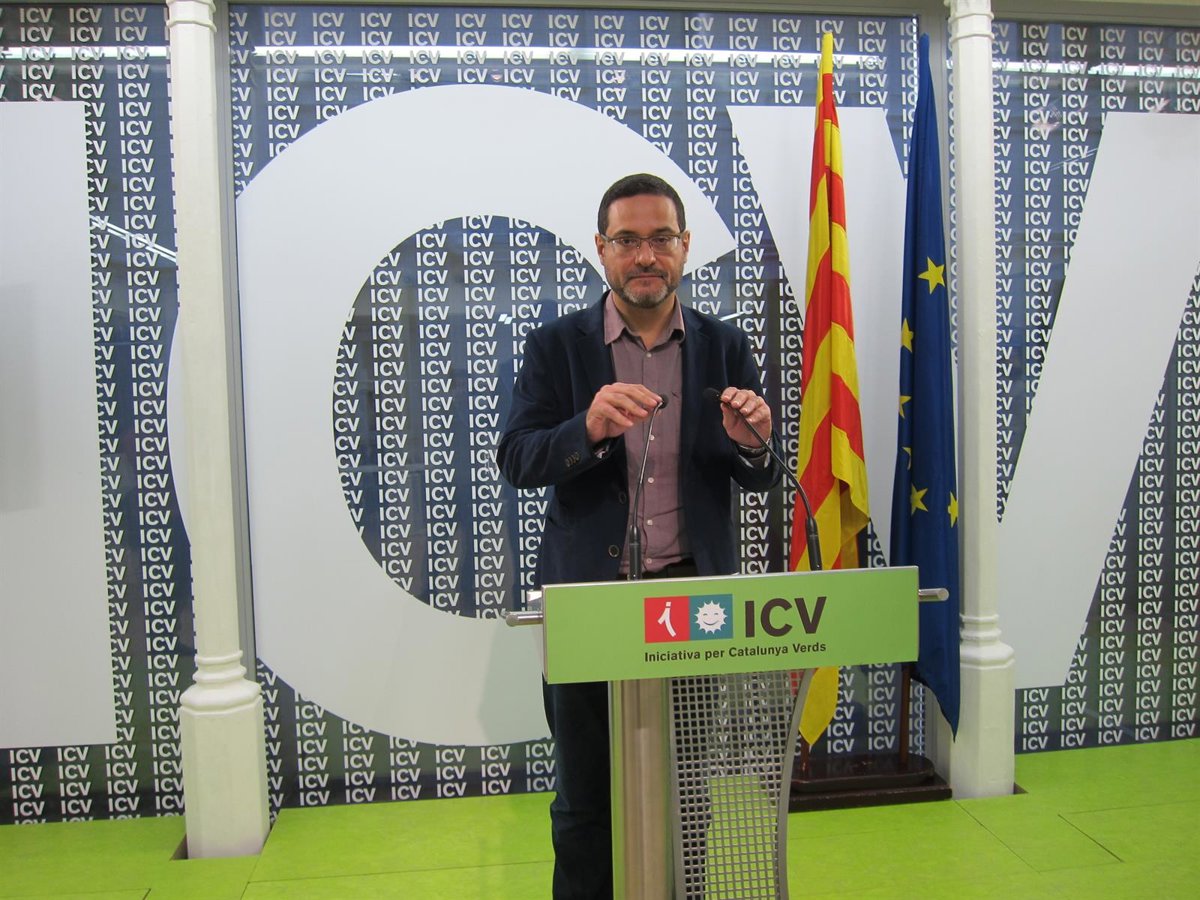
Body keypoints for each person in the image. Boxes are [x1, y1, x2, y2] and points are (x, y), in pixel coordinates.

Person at [497, 173, 781, 899]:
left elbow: (756, 475)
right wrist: (586, 428)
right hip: (590, 602)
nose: (645, 255)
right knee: (586, 797)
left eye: (660, 239)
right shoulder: (556, 347)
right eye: (627, 240)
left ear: (685, 246)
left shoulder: (725, 346)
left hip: (693, 600)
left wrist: (752, 443)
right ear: (601, 249)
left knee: (686, 790)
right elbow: (518, 459)